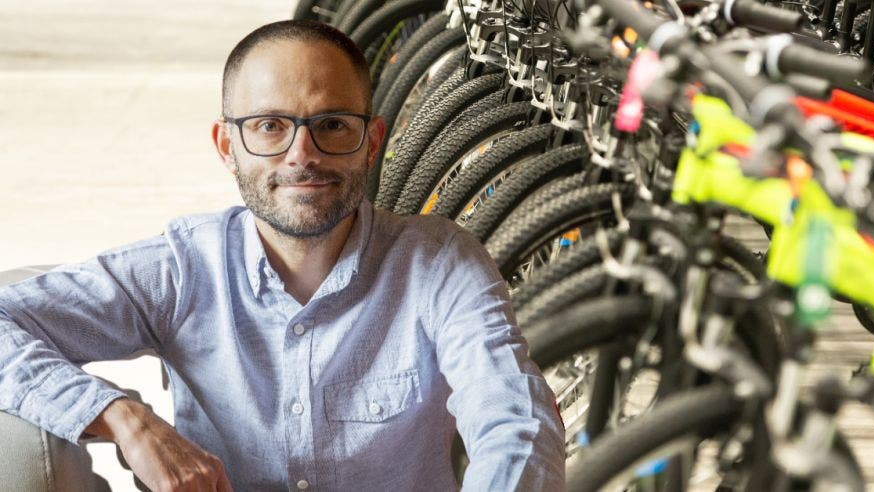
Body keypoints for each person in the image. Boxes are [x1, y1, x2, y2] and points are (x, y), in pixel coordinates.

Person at [0, 19, 564, 491]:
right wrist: (127, 418)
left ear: (371, 142)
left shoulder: (439, 265)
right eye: (270, 126)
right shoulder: (183, 268)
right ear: (228, 146)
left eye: (332, 126)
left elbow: (514, 419)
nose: (302, 155)